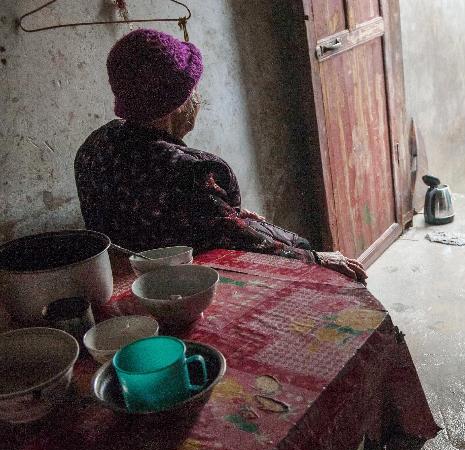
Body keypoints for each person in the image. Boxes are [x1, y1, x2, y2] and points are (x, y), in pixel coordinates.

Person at [74, 28, 366, 282]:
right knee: (303, 246)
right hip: (184, 284)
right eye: (193, 89)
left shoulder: (94, 146)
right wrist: (317, 259)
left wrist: (225, 212)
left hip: (132, 276)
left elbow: (184, 219)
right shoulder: (188, 171)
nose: (198, 97)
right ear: (177, 104)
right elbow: (239, 241)